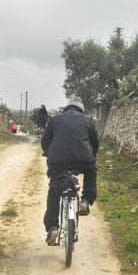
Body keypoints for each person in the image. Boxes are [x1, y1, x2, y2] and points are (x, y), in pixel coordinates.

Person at [40, 96, 99, 245]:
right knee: (91, 172)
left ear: (67, 107)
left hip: (57, 162)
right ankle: (86, 200)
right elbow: (95, 143)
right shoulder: (88, 120)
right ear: (81, 109)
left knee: (54, 191)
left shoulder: (54, 119)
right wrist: (91, 155)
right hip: (83, 160)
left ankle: (52, 228)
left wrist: (48, 152)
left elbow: (45, 141)